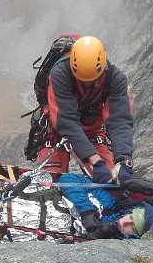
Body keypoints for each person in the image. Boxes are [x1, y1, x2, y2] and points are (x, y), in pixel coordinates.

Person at [36, 35, 135, 184]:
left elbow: (119, 121)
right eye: (81, 80)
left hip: (91, 127)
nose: (87, 84)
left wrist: (124, 160)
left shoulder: (115, 79)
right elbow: (65, 121)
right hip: (55, 127)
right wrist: (95, 159)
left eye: (92, 80)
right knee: (51, 179)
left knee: (112, 179)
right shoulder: (59, 74)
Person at [58, 173, 153, 239]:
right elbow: (68, 179)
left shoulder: (117, 248)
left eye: (133, 227)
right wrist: (87, 211)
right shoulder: (108, 203)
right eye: (131, 216)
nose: (124, 222)